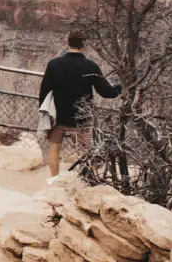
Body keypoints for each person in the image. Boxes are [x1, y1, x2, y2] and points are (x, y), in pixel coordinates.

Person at [38, 30, 123, 177]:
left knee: (54, 149)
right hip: (81, 119)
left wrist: (47, 113)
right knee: (89, 151)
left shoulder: (54, 64)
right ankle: (87, 178)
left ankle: (54, 179)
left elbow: (44, 91)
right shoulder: (91, 66)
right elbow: (106, 92)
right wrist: (120, 88)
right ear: (84, 45)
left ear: (67, 42)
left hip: (58, 116)